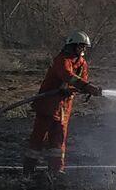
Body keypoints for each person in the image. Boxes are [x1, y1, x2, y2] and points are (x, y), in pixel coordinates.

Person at [23, 31, 104, 175]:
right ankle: (28, 171)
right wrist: (85, 86)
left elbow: (80, 81)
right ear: (72, 46)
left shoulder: (82, 63)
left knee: (59, 140)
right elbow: (68, 76)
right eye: (81, 46)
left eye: (84, 47)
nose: (83, 50)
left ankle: (56, 171)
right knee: (39, 137)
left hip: (64, 107)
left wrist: (86, 88)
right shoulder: (62, 59)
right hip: (48, 105)